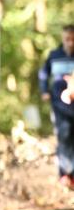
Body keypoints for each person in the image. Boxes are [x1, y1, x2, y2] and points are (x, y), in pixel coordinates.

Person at [38, 25, 74, 190]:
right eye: (68, 39)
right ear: (63, 39)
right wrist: (45, 90)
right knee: (64, 135)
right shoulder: (54, 56)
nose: (71, 43)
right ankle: (65, 173)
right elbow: (44, 74)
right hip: (59, 104)